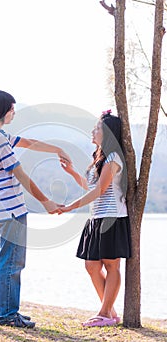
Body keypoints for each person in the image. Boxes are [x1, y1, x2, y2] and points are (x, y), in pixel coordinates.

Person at [0, 90, 71, 328]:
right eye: (11, 109)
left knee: (5, 260)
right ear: (3, 111)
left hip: (1, 209)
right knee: (12, 262)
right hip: (10, 209)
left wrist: (56, 149)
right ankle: (7, 314)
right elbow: (20, 174)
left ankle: (4, 308)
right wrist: (46, 202)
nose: (14, 113)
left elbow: (28, 143)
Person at [59, 110, 131, 327]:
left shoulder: (113, 157)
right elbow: (91, 186)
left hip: (111, 217)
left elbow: (100, 190)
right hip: (97, 217)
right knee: (91, 266)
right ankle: (108, 311)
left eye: (97, 128)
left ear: (107, 133)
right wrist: (72, 172)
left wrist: (72, 206)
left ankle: (105, 313)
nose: (93, 131)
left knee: (111, 265)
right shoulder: (99, 157)